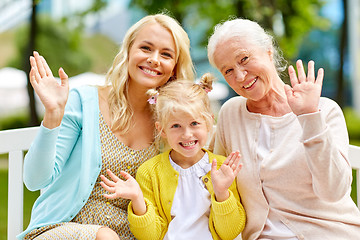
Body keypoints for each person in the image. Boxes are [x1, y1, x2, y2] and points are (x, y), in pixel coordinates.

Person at [18, 13, 195, 240]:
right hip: (61, 228)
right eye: (146, 48)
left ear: (175, 67)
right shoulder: (84, 102)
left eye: (166, 54)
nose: (154, 59)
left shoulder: (172, 125)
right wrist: (53, 115)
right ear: (129, 51)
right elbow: (35, 180)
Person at [207, 18, 360, 240]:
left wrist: (310, 117)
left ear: (268, 51)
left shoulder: (324, 110)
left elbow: (334, 192)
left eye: (244, 59)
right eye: (228, 70)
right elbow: (220, 184)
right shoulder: (231, 113)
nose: (240, 76)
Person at [100, 75, 246, 240]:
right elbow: (151, 236)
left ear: (208, 122)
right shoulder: (149, 172)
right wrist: (137, 199)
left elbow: (230, 233)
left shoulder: (221, 168)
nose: (187, 134)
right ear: (162, 129)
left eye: (194, 123)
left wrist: (222, 193)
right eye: (176, 126)